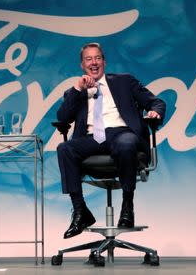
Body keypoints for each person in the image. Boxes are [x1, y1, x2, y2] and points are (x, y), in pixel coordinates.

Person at [56, 42, 166, 239]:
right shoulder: (76, 92)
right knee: (64, 148)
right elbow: (63, 118)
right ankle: (81, 212)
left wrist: (155, 112)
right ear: (82, 65)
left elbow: (156, 102)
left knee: (126, 143)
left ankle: (127, 206)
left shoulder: (124, 81)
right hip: (92, 139)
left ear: (104, 62)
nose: (94, 62)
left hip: (121, 133)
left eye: (97, 58)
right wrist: (78, 88)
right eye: (88, 59)